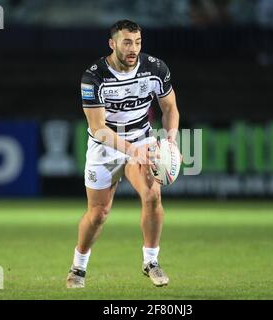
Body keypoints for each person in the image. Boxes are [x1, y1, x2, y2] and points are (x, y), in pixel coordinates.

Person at [66, 19, 180, 288]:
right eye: (127, 42)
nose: (133, 48)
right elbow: (98, 128)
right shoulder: (93, 77)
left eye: (138, 42)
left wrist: (170, 142)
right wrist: (133, 151)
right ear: (112, 43)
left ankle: (151, 261)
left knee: (152, 196)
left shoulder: (155, 68)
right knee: (98, 214)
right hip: (104, 148)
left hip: (141, 139)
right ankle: (78, 268)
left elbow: (170, 109)